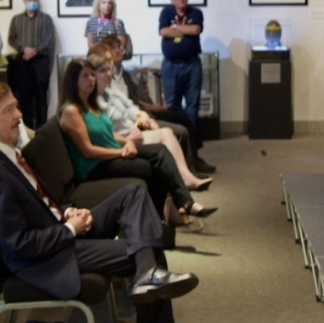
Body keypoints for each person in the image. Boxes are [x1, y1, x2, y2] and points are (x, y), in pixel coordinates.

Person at [0, 82, 201, 323]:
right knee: (148, 248)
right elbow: (20, 245)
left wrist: (66, 213)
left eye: (16, 105)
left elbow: (35, 208)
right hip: (44, 259)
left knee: (132, 194)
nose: (19, 114)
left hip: (58, 233)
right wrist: (69, 230)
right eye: (9, 110)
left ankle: (146, 276)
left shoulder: (8, 155)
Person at [58, 59, 214, 228]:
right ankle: (174, 211)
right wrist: (122, 151)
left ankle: (174, 210)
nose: (91, 79)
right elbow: (88, 151)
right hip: (95, 166)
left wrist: (126, 142)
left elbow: (109, 134)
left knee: (160, 151)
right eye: (85, 76)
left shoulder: (90, 104)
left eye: (91, 75)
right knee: (153, 166)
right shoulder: (72, 111)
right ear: (73, 81)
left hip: (112, 153)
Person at [87, 48, 210, 191]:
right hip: (126, 139)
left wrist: (142, 116)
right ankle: (183, 182)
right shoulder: (94, 101)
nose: (108, 74)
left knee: (171, 128)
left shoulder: (111, 88)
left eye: (109, 69)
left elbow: (130, 106)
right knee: (171, 132)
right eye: (103, 71)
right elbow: (106, 132)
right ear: (93, 75)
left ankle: (186, 175)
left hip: (134, 128)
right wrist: (132, 133)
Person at [102, 34, 213, 174]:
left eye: (119, 47)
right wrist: (148, 115)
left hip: (140, 115)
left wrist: (148, 113)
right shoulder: (107, 80)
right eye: (113, 48)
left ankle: (193, 164)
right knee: (180, 130)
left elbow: (134, 103)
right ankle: (189, 170)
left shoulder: (124, 75)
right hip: (133, 122)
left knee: (180, 114)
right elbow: (125, 110)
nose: (118, 51)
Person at [6, 0, 56, 128]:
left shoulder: (46, 19)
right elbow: (12, 39)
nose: (32, 3)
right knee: (24, 96)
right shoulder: (16, 19)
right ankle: (27, 128)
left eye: (35, 0)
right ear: (24, 1)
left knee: (41, 96)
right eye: (29, 0)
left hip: (41, 61)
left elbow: (49, 39)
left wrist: (35, 50)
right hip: (22, 62)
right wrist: (24, 49)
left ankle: (42, 129)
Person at [158, 0, 204, 131]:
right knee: (172, 104)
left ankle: (191, 139)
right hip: (171, 66)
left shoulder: (196, 12)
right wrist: (185, 30)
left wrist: (175, 28)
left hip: (192, 65)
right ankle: (176, 136)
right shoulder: (166, 12)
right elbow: (164, 32)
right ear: (172, 0)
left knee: (193, 103)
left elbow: (196, 29)